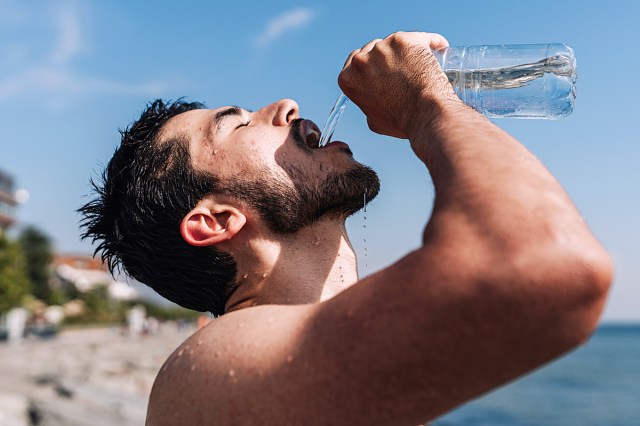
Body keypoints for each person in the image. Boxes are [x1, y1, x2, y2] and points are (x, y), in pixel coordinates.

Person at [80, 32, 612, 425]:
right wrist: (428, 103)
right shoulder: (210, 369)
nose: (286, 105)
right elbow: (546, 266)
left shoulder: (321, 360)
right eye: (238, 123)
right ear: (217, 220)